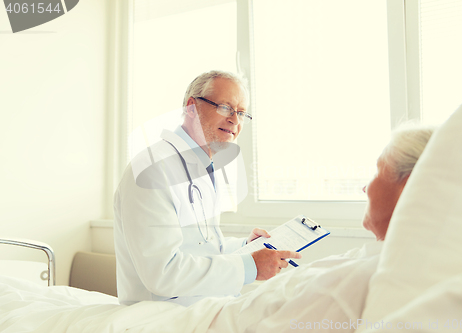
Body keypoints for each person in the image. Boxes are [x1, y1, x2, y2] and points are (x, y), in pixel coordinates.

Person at [206, 124, 436, 332]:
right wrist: (247, 250)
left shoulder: (354, 282)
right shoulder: (383, 260)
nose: (365, 188)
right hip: (217, 310)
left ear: (407, 188)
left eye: (377, 172)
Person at [113, 70, 301, 307]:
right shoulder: (152, 169)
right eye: (225, 107)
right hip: (163, 318)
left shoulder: (204, 167)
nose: (235, 120)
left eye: (241, 113)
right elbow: (162, 273)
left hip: (207, 308)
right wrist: (249, 266)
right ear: (191, 108)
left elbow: (202, 247)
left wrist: (246, 248)